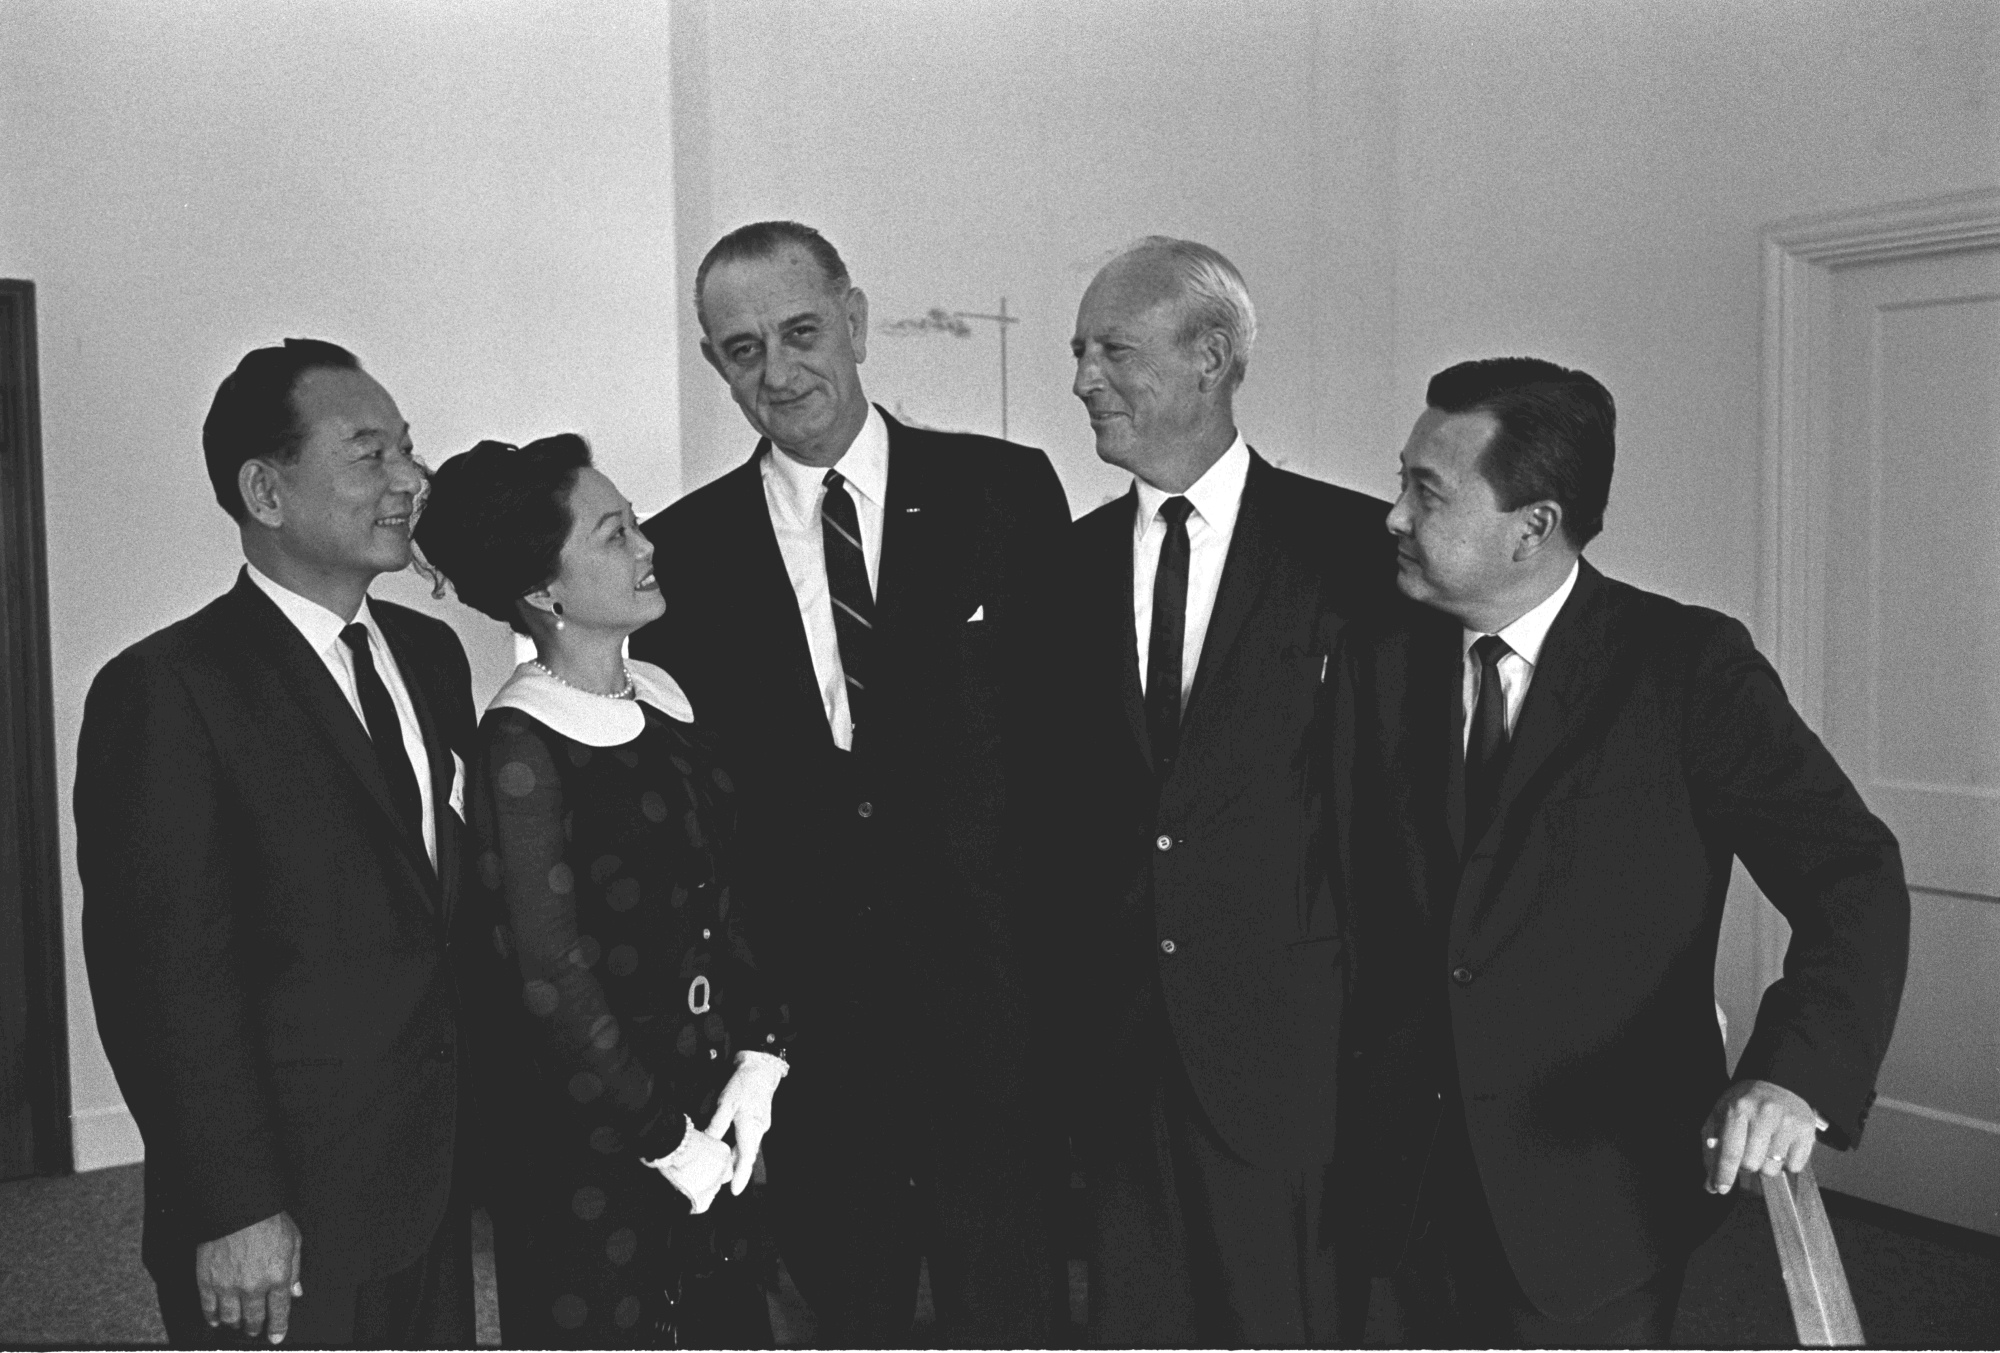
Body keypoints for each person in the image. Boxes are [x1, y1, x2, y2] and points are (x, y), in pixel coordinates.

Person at [1331, 357, 1911, 1347]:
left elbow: (1848, 874)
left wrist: (1793, 1075)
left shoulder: (1688, 670)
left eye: (1425, 491)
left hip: (1591, 1200)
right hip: (1393, 1186)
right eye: (1401, 480)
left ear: (1533, 526)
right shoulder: (1374, 656)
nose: (1391, 515)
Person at [629, 220, 1071, 1346]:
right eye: (740, 350)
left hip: (992, 1004)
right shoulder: (679, 554)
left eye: (800, 331)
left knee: (1011, 1305)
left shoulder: (1003, 492)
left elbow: (1062, 752)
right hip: (812, 1026)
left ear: (856, 321)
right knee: (849, 1306)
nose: (777, 373)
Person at [75, 340, 477, 1347]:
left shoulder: (427, 657)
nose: (409, 480)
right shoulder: (168, 690)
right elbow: (159, 977)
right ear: (265, 489)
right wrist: (233, 1206)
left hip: (426, 1184)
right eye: (368, 454)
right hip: (281, 1217)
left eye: (408, 451)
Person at [1061, 236, 1397, 1346]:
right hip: (1116, 1051)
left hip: (1290, 1053)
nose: (1081, 381)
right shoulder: (1065, 564)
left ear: (1208, 357)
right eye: (1078, 354)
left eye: (1110, 350)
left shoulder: (1353, 551)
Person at [414, 435, 792, 1347]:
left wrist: (763, 1049)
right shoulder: (521, 744)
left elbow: (726, 888)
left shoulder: (660, 692)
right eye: (616, 534)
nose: (648, 546)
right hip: (598, 1140)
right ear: (543, 592)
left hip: (708, 1101)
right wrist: (669, 1138)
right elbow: (552, 977)